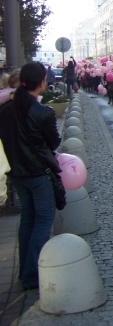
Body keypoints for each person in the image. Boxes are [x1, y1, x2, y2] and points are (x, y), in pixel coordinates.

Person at [0, 62, 61, 290]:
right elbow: (54, 142)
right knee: (43, 221)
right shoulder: (42, 112)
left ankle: (23, 270)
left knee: (27, 219)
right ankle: (32, 275)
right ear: (42, 82)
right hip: (38, 173)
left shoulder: (6, 110)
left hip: (17, 174)